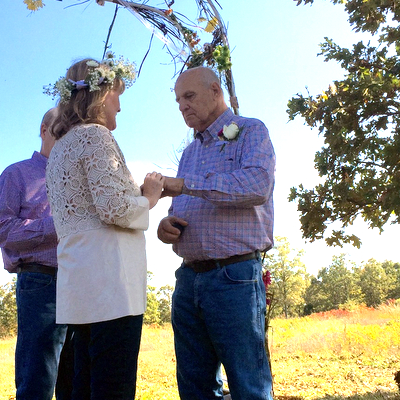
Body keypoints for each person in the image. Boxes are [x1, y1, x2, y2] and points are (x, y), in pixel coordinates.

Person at [45, 54, 164, 400]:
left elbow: (90, 206)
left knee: (83, 384)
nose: (120, 107)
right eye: (117, 95)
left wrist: (135, 196)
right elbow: (113, 208)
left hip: (79, 286)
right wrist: (152, 197)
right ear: (100, 94)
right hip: (111, 286)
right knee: (112, 386)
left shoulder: (60, 148)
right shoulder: (95, 137)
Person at [157, 66, 275, 400]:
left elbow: (257, 185)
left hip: (234, 276)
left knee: (248, 383)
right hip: (188, 279)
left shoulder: (250, 131)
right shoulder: (189, 153)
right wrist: (168, 225)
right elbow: (182, 206)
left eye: (189, 96)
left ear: (215, 91)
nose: (183, 106)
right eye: (179, 101)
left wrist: (183, 185)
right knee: (194, 385)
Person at [0, 107, 73, 400]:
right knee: (38, 379)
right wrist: (60, 225)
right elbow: (1, 231)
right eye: (62, 130)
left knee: (74, 380)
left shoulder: (78, 179)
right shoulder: (16, 174)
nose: (68, 139)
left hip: (81, 281)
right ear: (44, 129)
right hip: (41, 283)